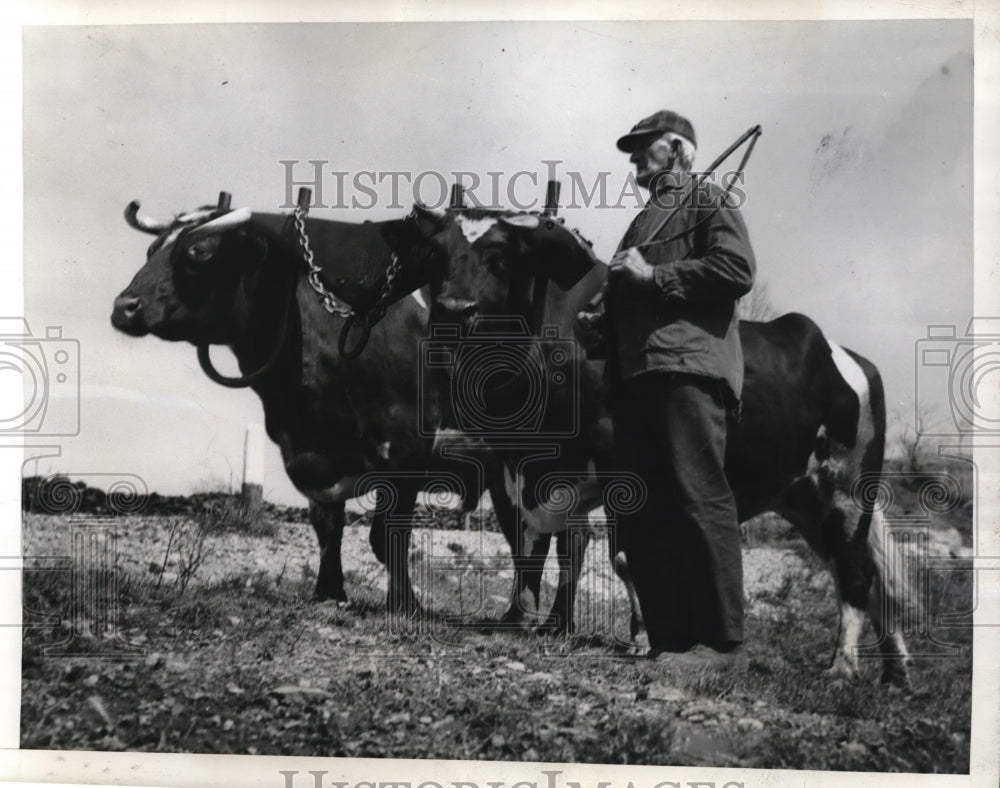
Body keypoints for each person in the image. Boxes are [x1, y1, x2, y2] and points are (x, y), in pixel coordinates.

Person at [594, 109, 756, 666]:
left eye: (646, 146)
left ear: (681, 149)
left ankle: (721, 645)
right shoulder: (643, 222)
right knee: (646, 510)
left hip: (688, 369)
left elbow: (737, 270)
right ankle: (671, 641)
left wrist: (654, 277)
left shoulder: (708, 200)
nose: (635, 156)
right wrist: (600, 325)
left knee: (697, 497)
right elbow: (625, 300)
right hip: (637, 378)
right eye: (632, 148)